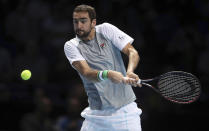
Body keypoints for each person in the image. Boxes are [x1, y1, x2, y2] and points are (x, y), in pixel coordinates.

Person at [64, 4, 142, 131]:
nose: (79, 26)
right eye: (75, 22)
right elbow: (86, 72)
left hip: (125, 114)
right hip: (96, 116)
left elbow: (132, 52)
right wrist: (108, 74)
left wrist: (130, 71)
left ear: (93, 22)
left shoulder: (106, 30)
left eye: (83, 21)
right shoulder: (71, 46)